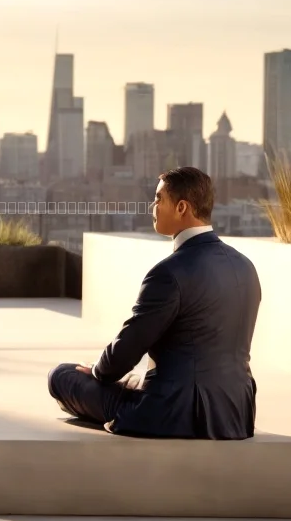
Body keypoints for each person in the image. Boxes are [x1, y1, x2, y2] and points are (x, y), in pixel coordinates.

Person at [47, 166, 261, 439]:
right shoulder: (245, 267)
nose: (153, 206)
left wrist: (97, 371)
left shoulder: (169, 273)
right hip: (237, 412)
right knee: (137, 378)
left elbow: (128, 348)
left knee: (61, 376)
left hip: (174, 414)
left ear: (182, 207)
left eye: (159, 199)